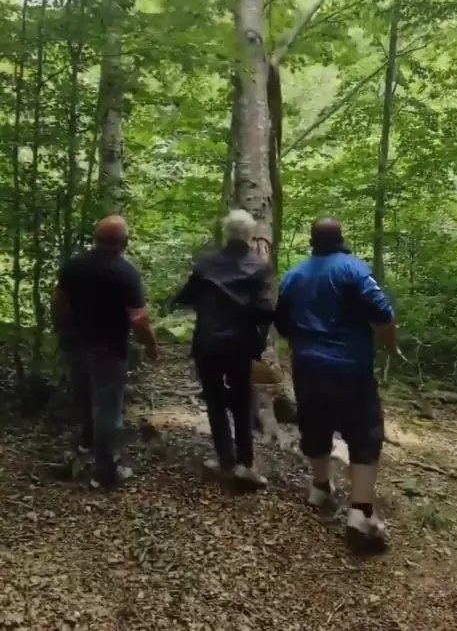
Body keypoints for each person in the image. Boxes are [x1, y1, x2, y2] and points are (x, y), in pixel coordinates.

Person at [275, 218, 401, 551]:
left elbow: (282, 323)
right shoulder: (353, 269)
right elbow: (384, 315)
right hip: (350, 368)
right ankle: (361, 514)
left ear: (311, 240)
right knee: (365, 433)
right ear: (341, 238)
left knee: (314, 424)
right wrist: (390, 346)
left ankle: (320, 488)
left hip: (307, 365)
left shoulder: (293, 275)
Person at [52, 215, 158, 489]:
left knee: (85, 401)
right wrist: (151, 346)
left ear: (96, 239)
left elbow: (59, 301)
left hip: (76, 344)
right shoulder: (125, 273)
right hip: (108, 349)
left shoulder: (74, 266)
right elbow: (139, 320)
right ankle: (107, 472)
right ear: (124, 242)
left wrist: (63, 330)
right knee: (107, 410)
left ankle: (85, 451)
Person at [174, 209, 274, 487]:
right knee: (242, 400)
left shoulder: (206, 264)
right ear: (250, 234)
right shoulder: (259, 267)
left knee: (215, 400)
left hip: (207, 342)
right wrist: (259, 341)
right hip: (240, 344)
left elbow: (185, 297)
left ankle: (225, 460)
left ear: (227, 232)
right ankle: (245, 464)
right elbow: (266, 309)